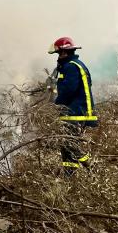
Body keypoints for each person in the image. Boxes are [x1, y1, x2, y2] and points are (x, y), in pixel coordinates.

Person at [48, 37, 98, 176]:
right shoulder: (75, 64)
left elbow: (68, 91)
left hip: (75, 111)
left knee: (70, 144)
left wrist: (56, 106)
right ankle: (70, 176)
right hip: (75, 110)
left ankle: (92, 167)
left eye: (59, 54)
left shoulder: (71, 66)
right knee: (66, 146)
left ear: (64, 53)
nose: (58, 57)